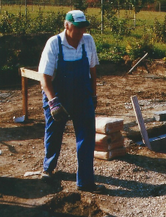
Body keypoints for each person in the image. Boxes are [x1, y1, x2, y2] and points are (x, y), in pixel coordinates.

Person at [38, 10, 105, 193]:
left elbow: (92, 70)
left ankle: (85, 182)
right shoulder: (54, 44)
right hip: (58, 95)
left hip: (82, 96)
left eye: (83, 28)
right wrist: (53, 103)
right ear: (66, 25)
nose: (80, 32)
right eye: (77, 28)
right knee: (54, 133)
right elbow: (44, 78)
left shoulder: (87, 41)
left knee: (86, 138)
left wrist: (93, 95)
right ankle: (48, 168)